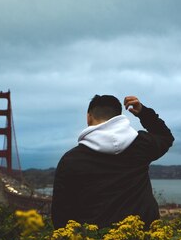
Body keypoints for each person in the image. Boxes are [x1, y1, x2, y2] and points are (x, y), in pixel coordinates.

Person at [51, 94, 174, 229]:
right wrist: (144, 113)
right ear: (118, 117)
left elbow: (61, 212)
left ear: (89, 117)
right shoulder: (141, 145)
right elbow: (165, 136)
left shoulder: (72, 159)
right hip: (144, 238)